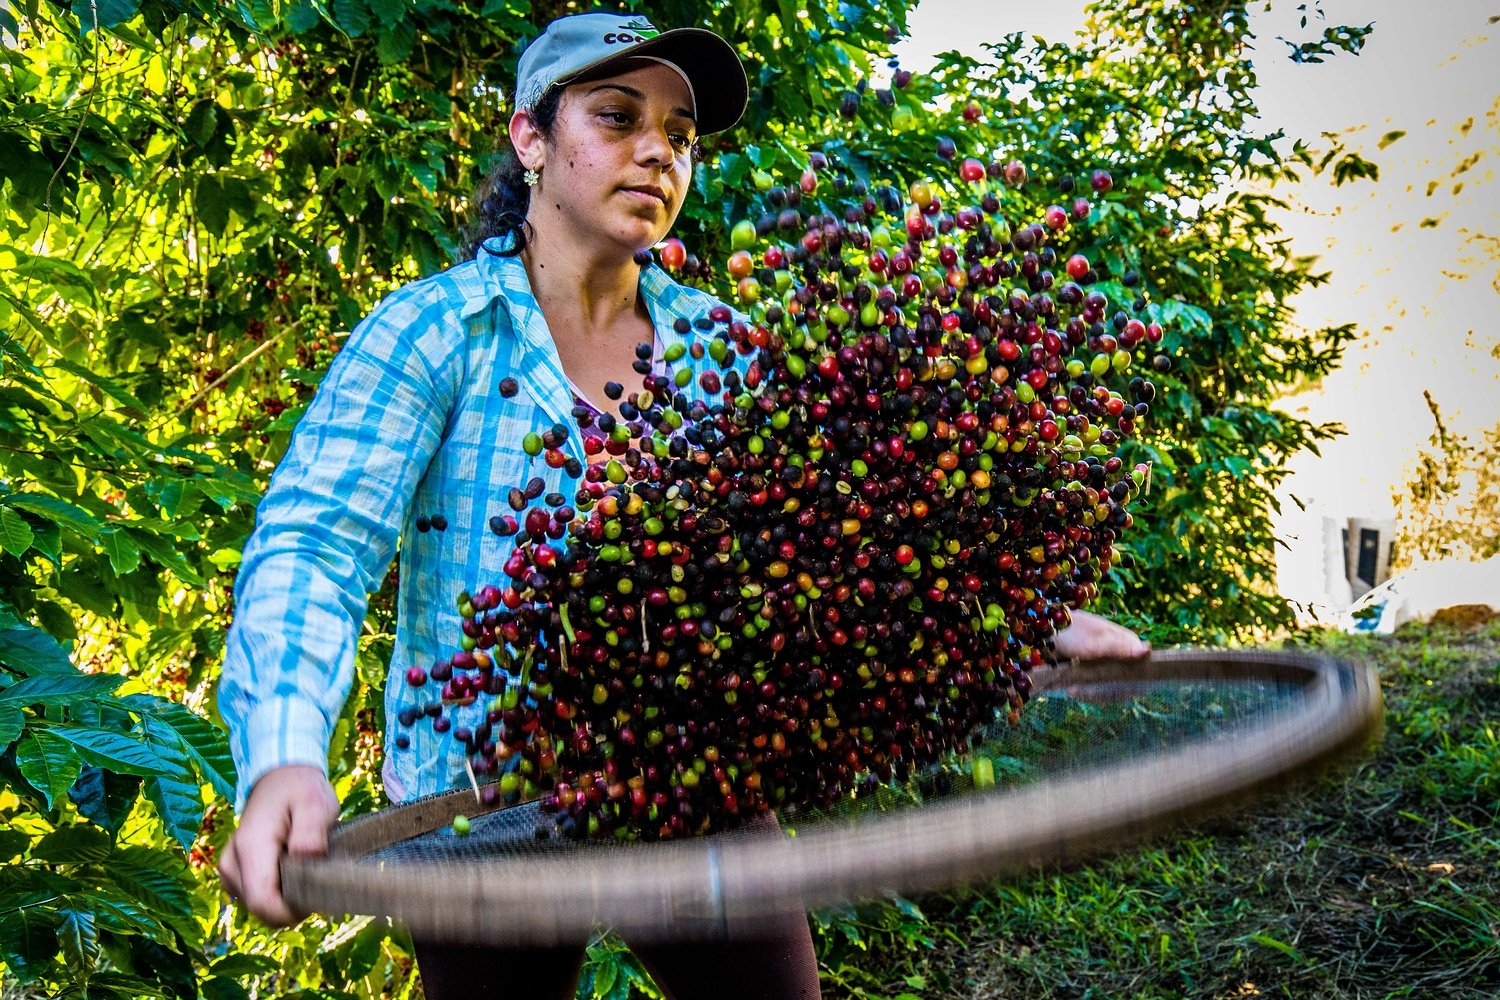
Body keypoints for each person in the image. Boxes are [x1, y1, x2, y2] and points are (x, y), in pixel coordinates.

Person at [216, 11, 1147, 999]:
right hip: (479, 802)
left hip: (689, 771)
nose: (659, 150)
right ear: (531, 139)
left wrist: (1008, 619)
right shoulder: (435, 331)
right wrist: (284, 754)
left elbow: (836, 550)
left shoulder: (725, 352)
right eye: (618, 117)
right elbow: (316, 545)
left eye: (681, 133)